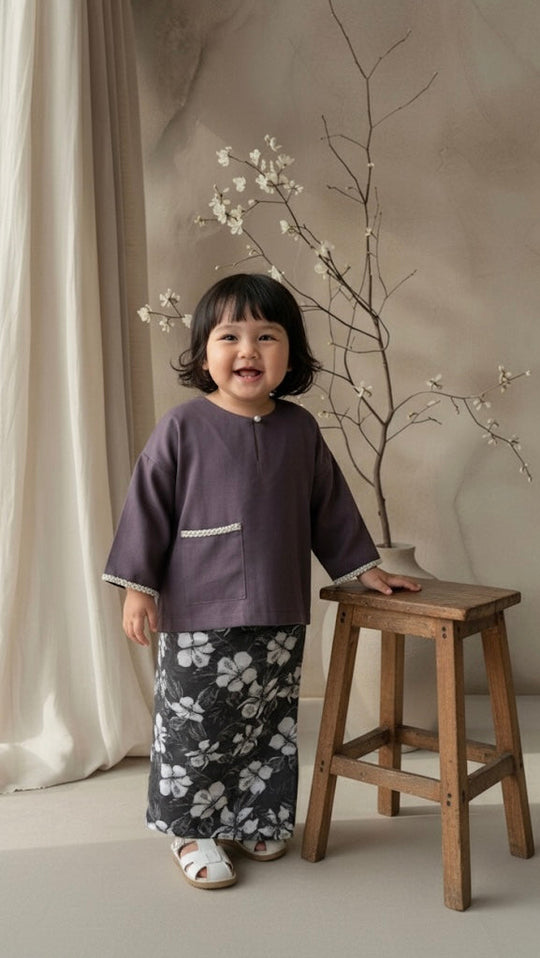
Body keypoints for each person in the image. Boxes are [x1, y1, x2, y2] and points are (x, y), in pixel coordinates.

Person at [103, 272, 421, 890]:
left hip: (279, 606)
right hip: (198, 608)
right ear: (204, 355)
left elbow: (330, 509)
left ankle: (256, 816)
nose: (248, 350)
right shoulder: (181, 427)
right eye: (230, 336)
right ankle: (192, 829)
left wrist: (365, 568)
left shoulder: (300, 430)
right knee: (197, 727)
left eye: (266, 336)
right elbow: (145, 510)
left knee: (268, 722)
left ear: (290, 355)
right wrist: (137, 588)